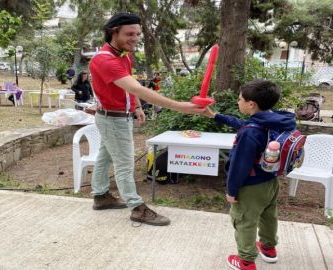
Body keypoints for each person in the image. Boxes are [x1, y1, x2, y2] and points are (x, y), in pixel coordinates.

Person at [88, 12, 205, 226]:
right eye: (130, 34)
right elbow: (137, 87)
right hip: (113, 120)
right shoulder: (104, 60)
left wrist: (138, 106)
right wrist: (182, 107)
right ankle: (136, 207)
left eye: (138, 34)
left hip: (114, 117)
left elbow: (128, 85)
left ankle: (101, 196)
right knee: (124, 164)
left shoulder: (123, 55)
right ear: (114, 32)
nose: (135, 38)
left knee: (104, 158)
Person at [203, 80, 296, 270]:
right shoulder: (274, 120)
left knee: (244, 221)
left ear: (251, 103)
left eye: (239, 99)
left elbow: (239, 165)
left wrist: (231, 190)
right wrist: (215, 116)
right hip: (271, 182)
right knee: (269, 215)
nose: (238, 102)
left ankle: (246, 261)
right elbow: (244, 124)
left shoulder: (250, 132)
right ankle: (269, 249)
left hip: (251, 185)